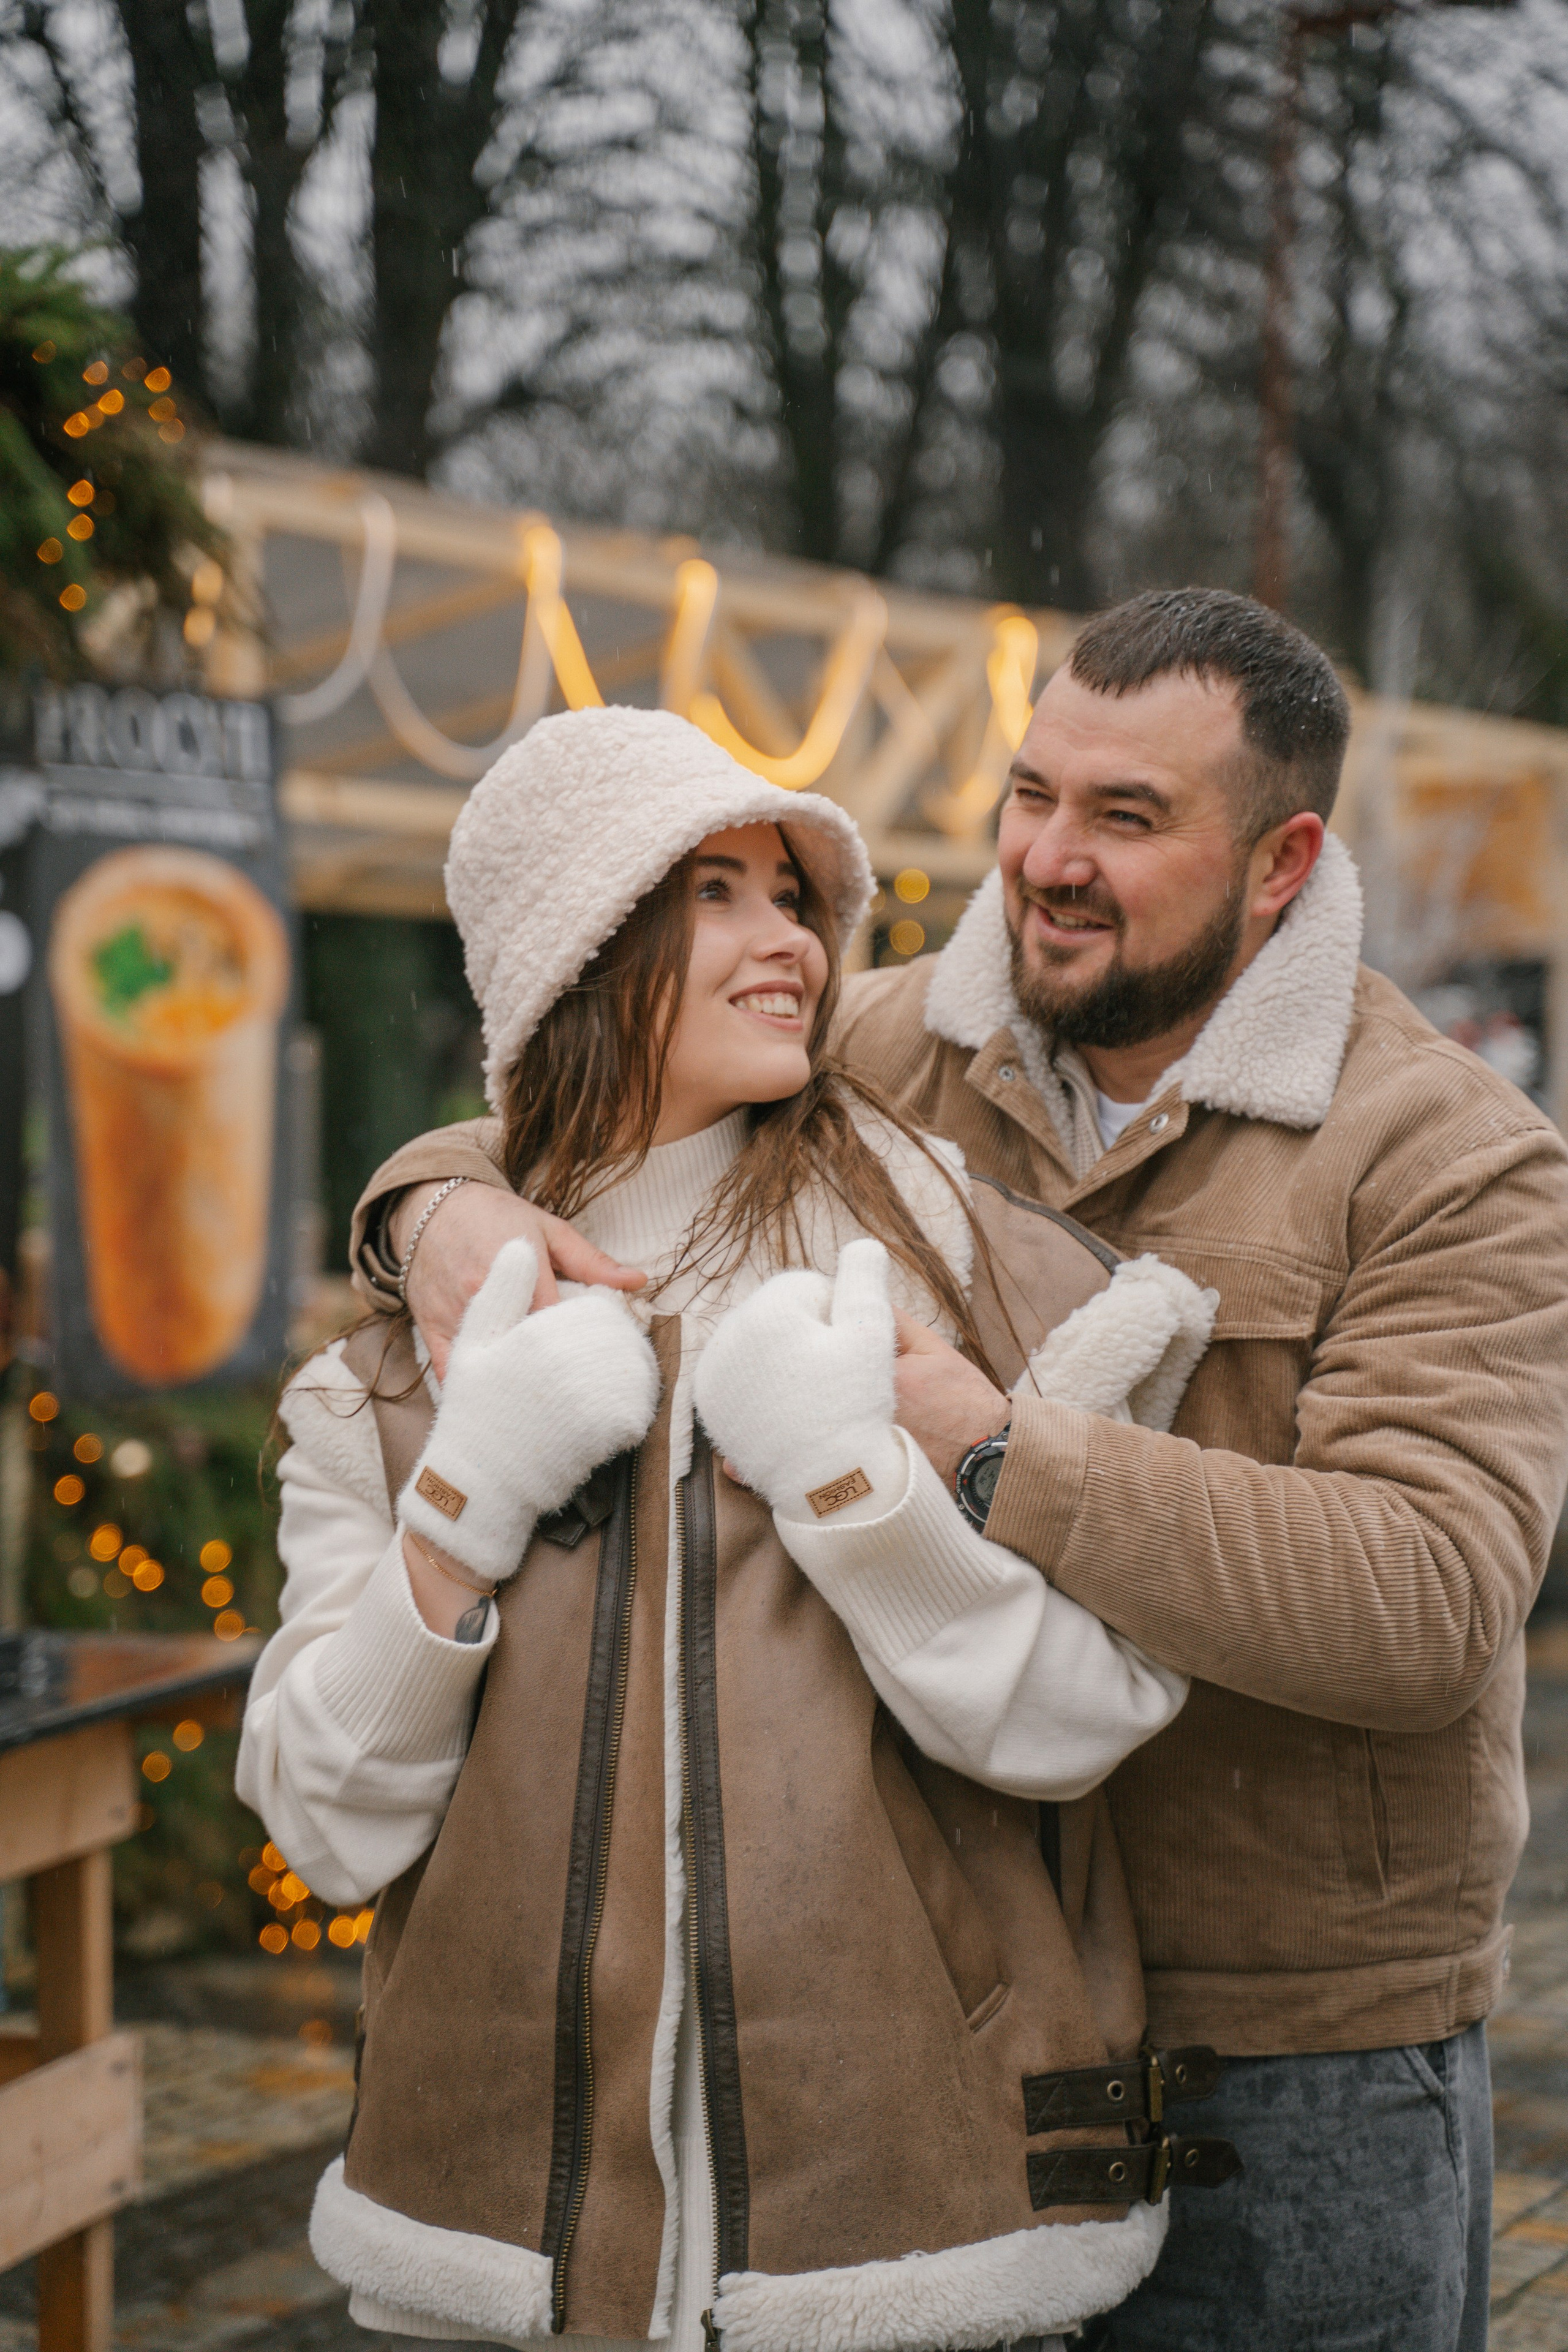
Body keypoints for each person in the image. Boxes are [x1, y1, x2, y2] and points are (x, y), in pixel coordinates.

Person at [360, 591, 1568, 2352]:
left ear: (1282, 859)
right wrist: (431, 1201)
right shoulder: (880, 1045)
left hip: (1286, 2049)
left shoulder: (1449, 1154)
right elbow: (592, 1079)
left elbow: (1427, 1602)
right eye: (1030, 795)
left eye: (1127, 820)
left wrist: (989, 1444)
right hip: (947, 2016)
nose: (1047, 862)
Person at [238, 705, 1238, 2352]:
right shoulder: (396, 1380)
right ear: (577, 953)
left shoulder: (951, 1287)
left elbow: (1084, 1720)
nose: (787, 939)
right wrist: (465, 1498)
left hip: (905, 2263)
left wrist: (854, 1484)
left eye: (792, 898)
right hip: (506, 2280)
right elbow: (326, 1830)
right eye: (715, 892)